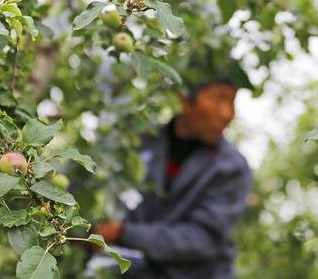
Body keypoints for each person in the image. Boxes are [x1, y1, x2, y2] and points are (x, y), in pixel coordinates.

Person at [92, 62, 253, 279]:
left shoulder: (231, 167)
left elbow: (201, 241)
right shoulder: (142, 144)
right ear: (184, 100)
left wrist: (123, 233)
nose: (227, 113)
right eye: (218, 98)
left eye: (232, 101)